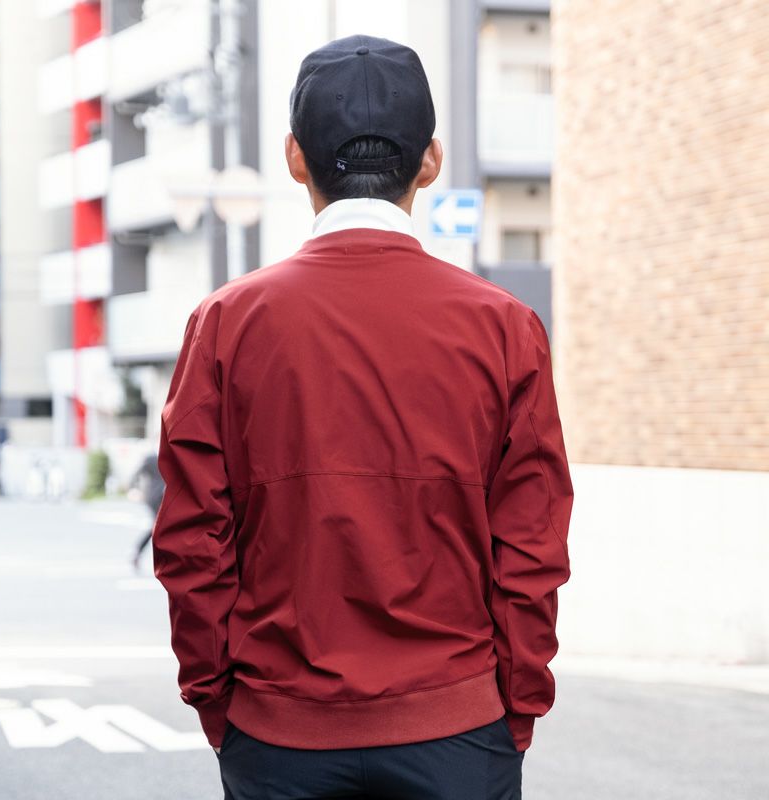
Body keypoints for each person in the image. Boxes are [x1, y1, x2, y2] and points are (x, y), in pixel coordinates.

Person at [152, 34, 573, 800]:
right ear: (431, 160)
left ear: (295, 157)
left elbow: (190, 542)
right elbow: (531, 545)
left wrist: (220, 703)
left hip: (278, 735)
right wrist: (514, 709)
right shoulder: (505, 327)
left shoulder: (225, 324)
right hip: (458, 733)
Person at [129, 451, 165, 571]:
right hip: (156, 496)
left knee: (158, 526)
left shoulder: (163, 455)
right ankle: (138, 552)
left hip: (159, 496)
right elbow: (136, 474)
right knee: (158, 526)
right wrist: (134, 488)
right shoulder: (152, 458)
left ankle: (138, 553)